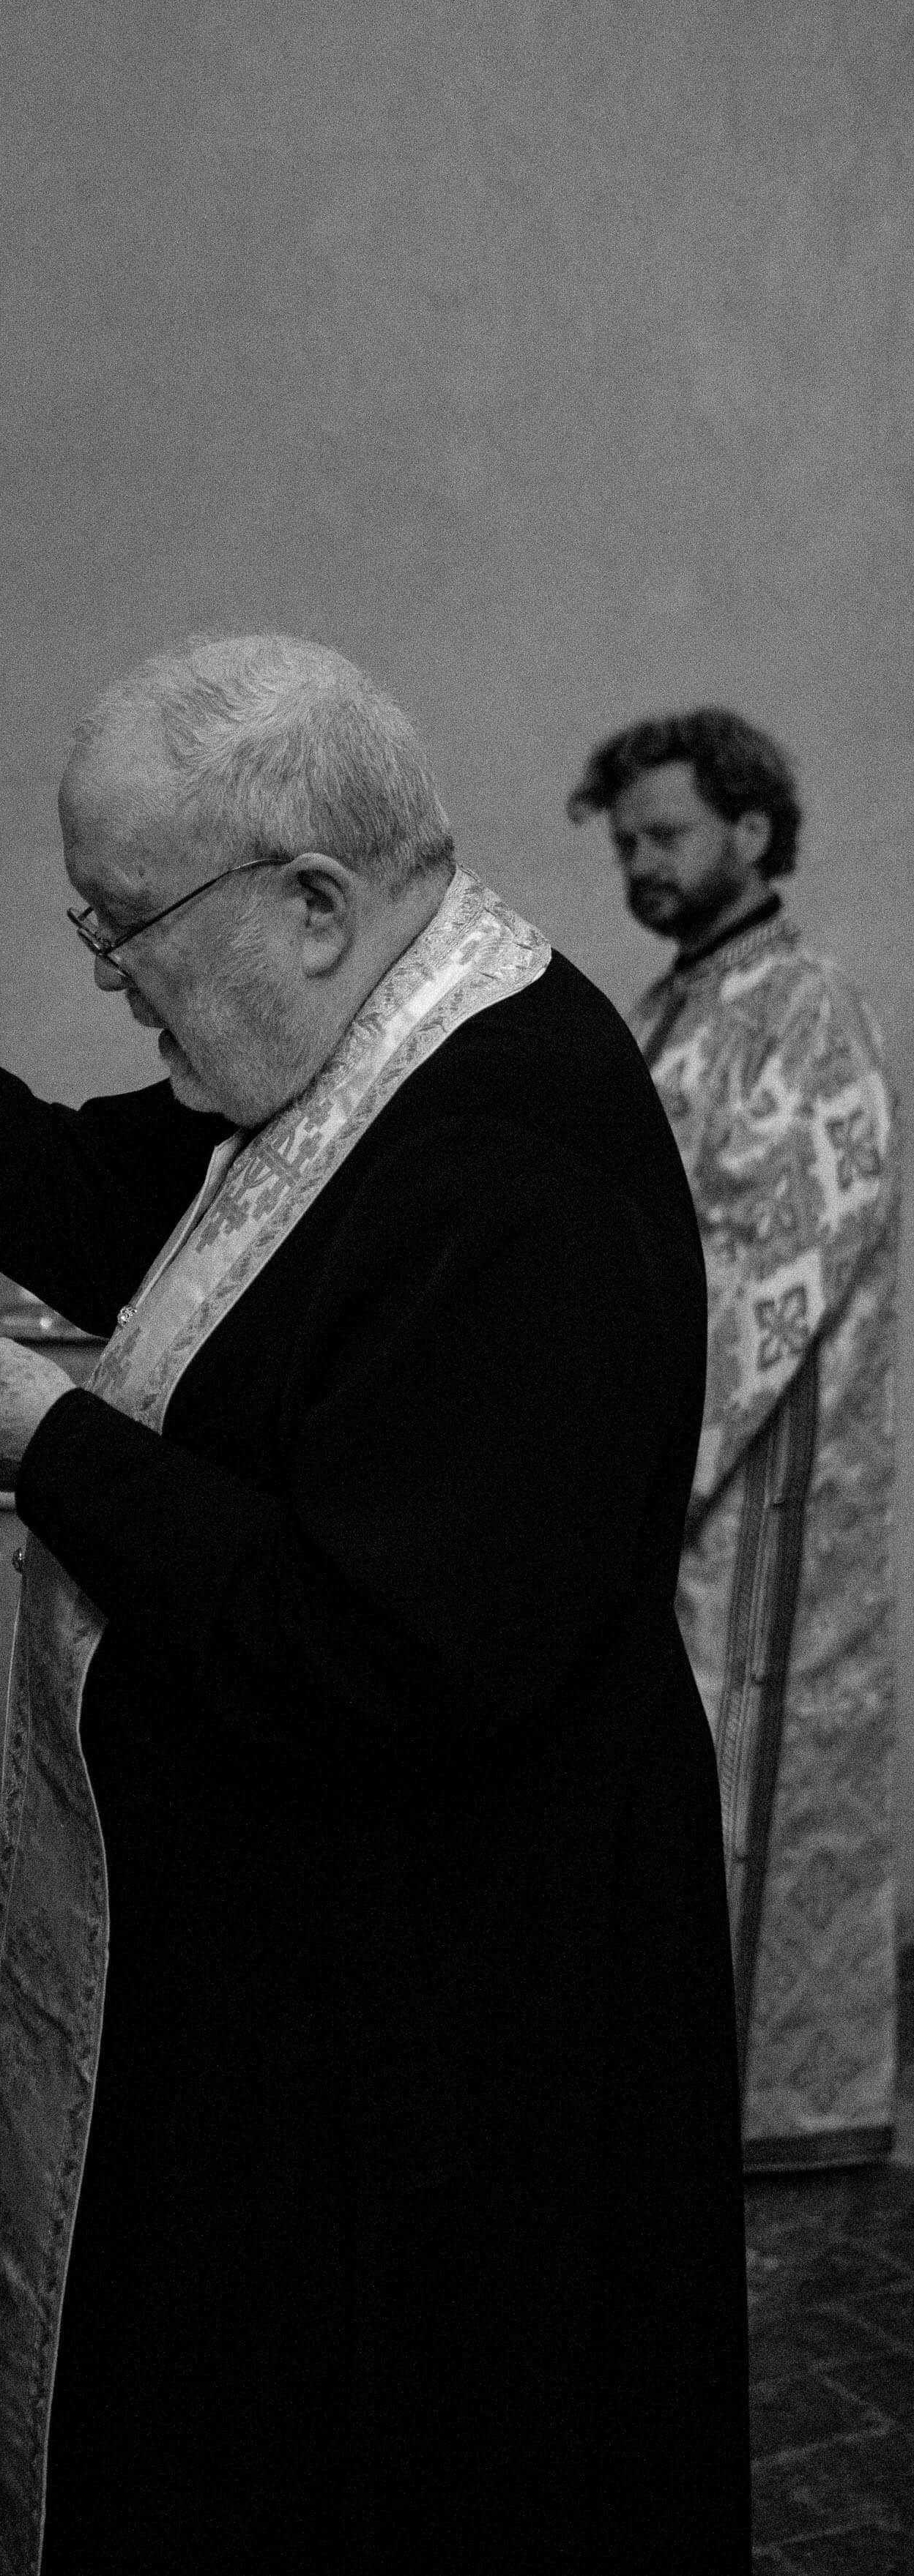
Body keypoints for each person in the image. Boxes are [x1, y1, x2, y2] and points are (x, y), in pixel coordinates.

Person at [0, 634, 752, 2575]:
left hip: (449, 2024)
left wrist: (50, 1447)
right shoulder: (364, 1045)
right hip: (341, 1975)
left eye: (125, 923)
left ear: (310, 900)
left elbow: (394, 1643)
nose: (107, 969)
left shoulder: (505, 1148)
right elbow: (102, 1190)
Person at [570, 707, 899, 2170]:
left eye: (666, 834)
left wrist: (633, 1450)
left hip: (751, 1485)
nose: (638, 862)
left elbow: (783, 1250)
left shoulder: (801, 1008)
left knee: (731, 1783)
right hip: (667, 1462)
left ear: (751, 832)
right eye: (627, 838)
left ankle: (750, 2108)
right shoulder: (673, 1006)